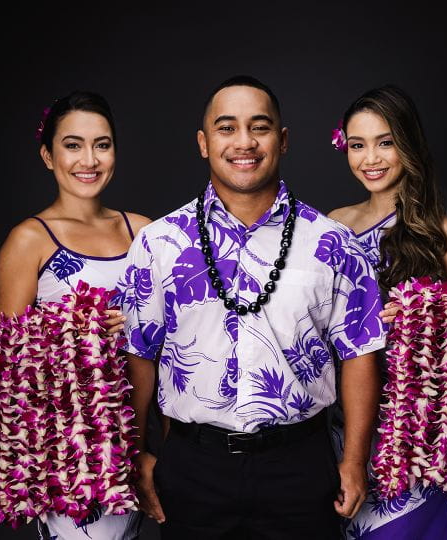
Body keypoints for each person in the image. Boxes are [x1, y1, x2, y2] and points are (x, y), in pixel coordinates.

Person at [119, 75, 387, 540]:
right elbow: (140, 355)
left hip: (300, 468)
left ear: (282, 141)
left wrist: (354, 460)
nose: (244, 142)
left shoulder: (332, 242)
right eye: (227, 128)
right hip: (192, 467)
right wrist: (136, 454)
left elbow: (359, 352)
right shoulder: (158, 243)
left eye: (259, 127)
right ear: (204, 143)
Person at [325, 84, 447, 539]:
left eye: (385, 142)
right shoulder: (333, 224)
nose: (369, 158)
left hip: (416, 439)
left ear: (408, 145)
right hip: (343, 428)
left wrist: (425, 312)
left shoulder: (442, 234)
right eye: (358, 145)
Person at [0, 90, 150, 540]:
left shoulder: (143, 231)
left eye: (102, 144)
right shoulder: (29, 240)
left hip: (146, 442)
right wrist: (78, 325)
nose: (89, 159)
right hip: (77, 457)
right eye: (73, 144)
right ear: (48, 155)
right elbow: (10, 369)